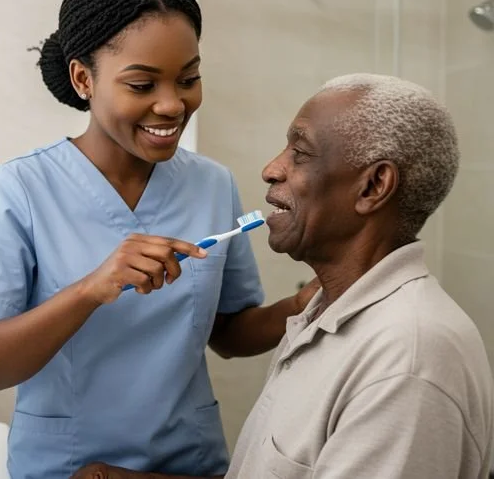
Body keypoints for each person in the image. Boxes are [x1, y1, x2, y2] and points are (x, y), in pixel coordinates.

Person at [0, 0, 317, 478]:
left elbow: (227, 332)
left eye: (189, 79)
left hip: (186, 466)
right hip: (67, 467)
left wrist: (301, 305)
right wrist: (92, 288)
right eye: (142, 84)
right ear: (83, 79)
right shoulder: (21, 190)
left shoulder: (212, 184)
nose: (172, 104)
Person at [72, 73, 494, 479]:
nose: (271, 169)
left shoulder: (407, 360)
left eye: (301, 152)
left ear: (372, 187)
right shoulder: (326, 314)